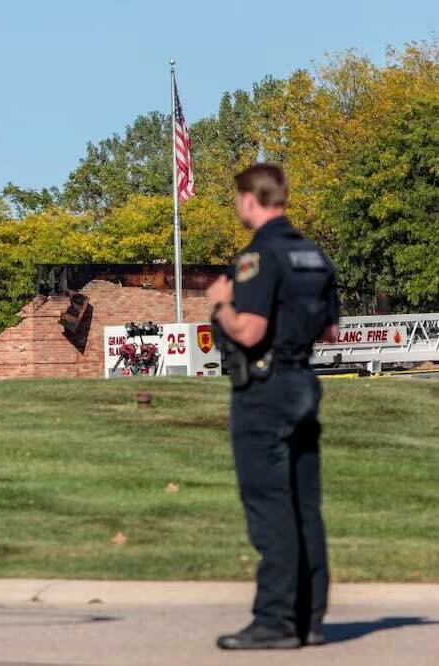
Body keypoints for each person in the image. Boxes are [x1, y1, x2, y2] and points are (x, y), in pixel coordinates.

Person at [206, 164, 340, 650]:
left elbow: (250, 331)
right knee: (305, 503)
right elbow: (331, 332)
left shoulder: (258, 256)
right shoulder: (314, 256)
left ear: (250, 199)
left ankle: (276, 618)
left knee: (269, 503)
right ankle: (310, 618)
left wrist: (221, 304)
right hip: (303, 382)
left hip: (264, 389)